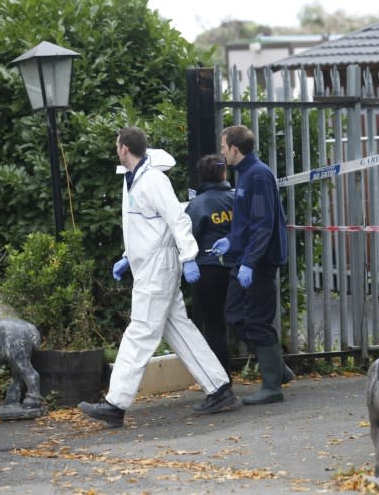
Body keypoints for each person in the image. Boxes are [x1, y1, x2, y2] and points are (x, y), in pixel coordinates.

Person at [78, 126, 239, 428]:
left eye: (117, 145)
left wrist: (189, 256)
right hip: (150, 265)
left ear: (124, 148)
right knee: (179, 329)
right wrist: (128, 257)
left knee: (139, 331)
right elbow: (147, 226)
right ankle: (219, 388)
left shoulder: (151, 180)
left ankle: (116, 403)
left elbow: (176, 219)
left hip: (156, 268)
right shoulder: (134, 180)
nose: (116, 149)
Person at [210, 124, 288, 405]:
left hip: (258, 262)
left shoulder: (257, 176)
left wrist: (251, 263)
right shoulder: (243, 174)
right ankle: (277, 369)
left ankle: (272, 386)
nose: (221, 152)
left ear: (235, 148)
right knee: (235, 315)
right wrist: (230, 241)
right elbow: (244, 222)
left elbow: (262, 224)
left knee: (257, 320)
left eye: (223, 147)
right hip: (243, 257)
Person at [184, 154, 236, 379]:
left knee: (214, 326)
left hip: (207, 270)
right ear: (224, 173)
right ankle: (275, 369)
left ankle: (221, 378)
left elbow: (188, 236)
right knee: (246, 320)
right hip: (237, 268)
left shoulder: (197, 204)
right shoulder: (237, 199)